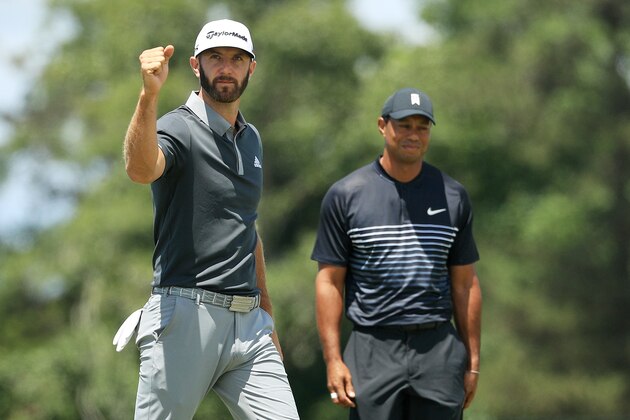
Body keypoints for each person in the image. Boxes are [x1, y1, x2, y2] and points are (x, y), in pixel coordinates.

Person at [117, 19, 299, 420]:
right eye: (215, 58)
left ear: (251, 68)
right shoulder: (177, 127)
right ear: (196, 65)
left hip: (249, 325)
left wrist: (267, 316)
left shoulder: (251, 138)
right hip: (185, 316)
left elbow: (246, 230)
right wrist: (148, 97)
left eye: (237, 59)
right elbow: (141, 169)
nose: (226, 67)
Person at [312, 87, 482, 419]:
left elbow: (466, 284)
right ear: (382, 126)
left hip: (438, 347)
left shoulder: (453, 196)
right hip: (372, 347)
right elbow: (329, 282)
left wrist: (472, 361)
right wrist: (333, 360)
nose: (413, 135)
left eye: (422, 127)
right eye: (404, 125)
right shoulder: (346, 195)